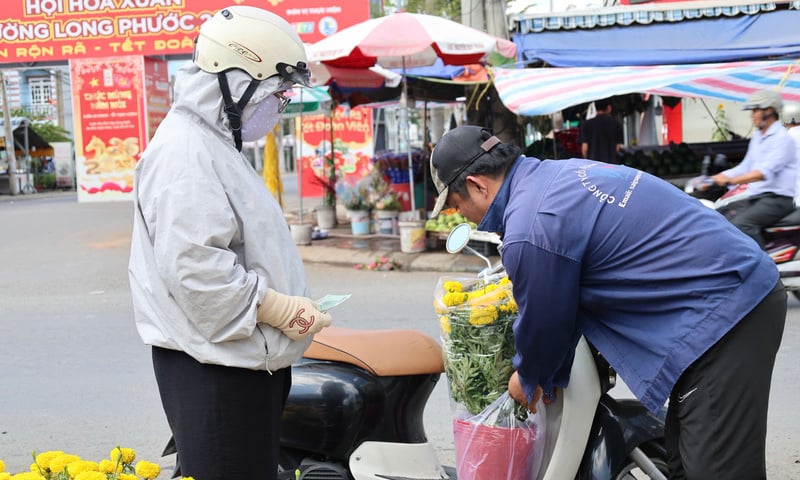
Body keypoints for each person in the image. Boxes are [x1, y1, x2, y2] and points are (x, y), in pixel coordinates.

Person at [429, 125, 786, 479]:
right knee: (686, 464)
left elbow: (545, 322)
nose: (464, 217)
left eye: (458, 206)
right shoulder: (552, 176)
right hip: (723, 295)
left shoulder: (529, 225)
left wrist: (528, 377)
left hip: (726, 312)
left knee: (715, 471)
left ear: (477, 184)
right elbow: (563, 297)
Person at [128, 6, 331, 480]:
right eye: (276, 91)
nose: (278, 105)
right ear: (236, 81)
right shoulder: (185, 152)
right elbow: (197, 269)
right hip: (215, 372)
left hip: (241, 362)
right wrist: (278, 308)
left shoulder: (215, 142)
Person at [706, 90, 797, 248]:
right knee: (721, 216)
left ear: (769, 111)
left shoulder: (782, 138)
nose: (752, 115)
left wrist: (730, 180)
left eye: (755, 110)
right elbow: (746, 166)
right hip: (759, 196)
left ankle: (760, 267)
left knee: (741, 225)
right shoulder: (758, 137)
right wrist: (716, 177)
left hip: (778, 199)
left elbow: (763, 172)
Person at [577, 97, 624, 164]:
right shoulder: (617, 124)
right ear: (609, 108)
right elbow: (617, 148)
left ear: (595, 108)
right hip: (610, 165)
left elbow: (584, 149)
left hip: (593, 165)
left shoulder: (586, 124)